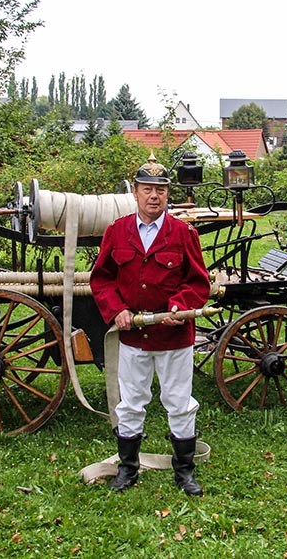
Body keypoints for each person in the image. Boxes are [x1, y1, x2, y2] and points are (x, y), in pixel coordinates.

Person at [89, 154, 211, 495]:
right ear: (136, 193)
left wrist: (180, 304)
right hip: (134, 338)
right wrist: (116, 311)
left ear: (168, 194)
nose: (153, 196)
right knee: (130, 402)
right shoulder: (117, 231)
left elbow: (199, 282)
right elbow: (101, 279)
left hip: (174, 337)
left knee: (180, 402)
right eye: (147, 189)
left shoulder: (183, 233)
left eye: (160, 189)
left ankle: (184, 472)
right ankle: (127, 470)